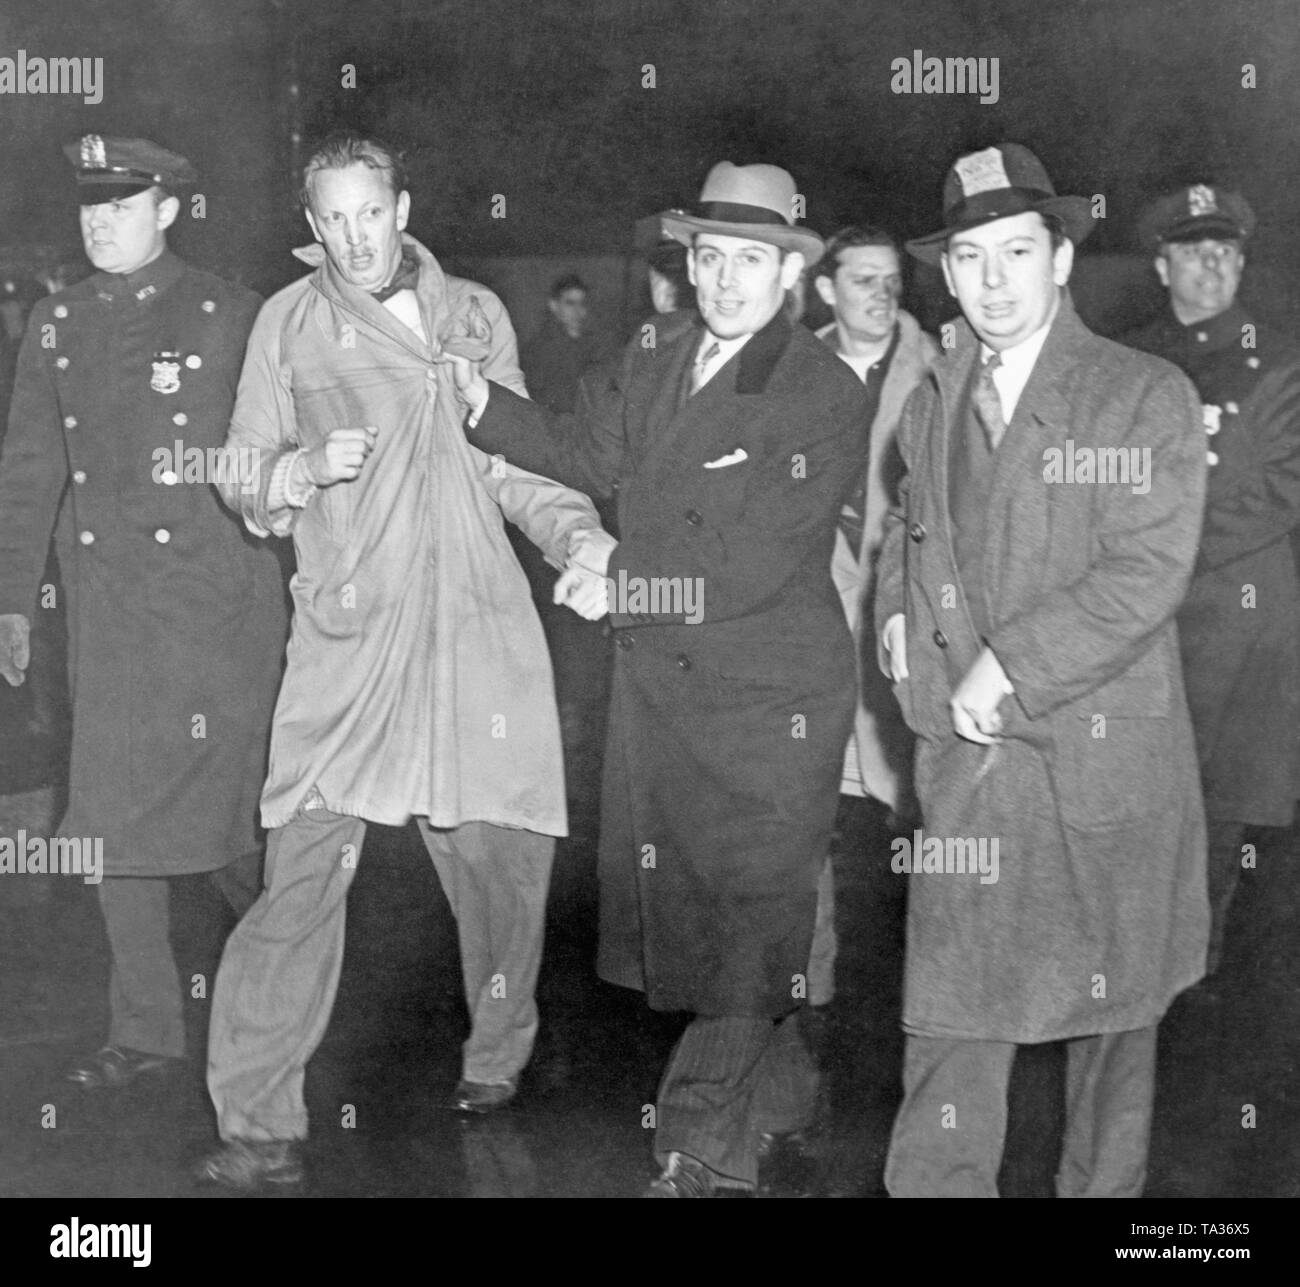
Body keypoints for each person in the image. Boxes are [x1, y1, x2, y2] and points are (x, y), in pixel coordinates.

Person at [444, 161, 868, 1197]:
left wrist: (618, 582)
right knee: (708, 927)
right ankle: (781, 1096)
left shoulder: (821, 392)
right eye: (709, 258)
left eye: (750, 260)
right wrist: (481, 404)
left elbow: (757, 558)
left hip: (773, 708)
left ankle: (693, 1153)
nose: (725, 280)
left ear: (790, 274)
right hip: (670, 706)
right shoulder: (654, 356)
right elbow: (583, 450)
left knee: (746, 926)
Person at [196, 132, 610, 1190]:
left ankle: (497, 1062)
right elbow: (238, 469)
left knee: (504, 868)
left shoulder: (474, 314)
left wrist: (578, 538)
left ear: (402, 206)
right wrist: (294, 470)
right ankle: (257, 1124)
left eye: (367, 212)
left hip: (475, 632)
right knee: (299, 871)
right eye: (330, 218)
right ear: (312, 225)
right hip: (349, 641)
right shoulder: (286, 324)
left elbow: (516, 459)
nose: (352, 236)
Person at [875, 143, 1208, 1197]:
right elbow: (903, 530)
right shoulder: (932, 398)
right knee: (949, 1025)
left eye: (1015, 251)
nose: (992, 280)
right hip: (970, 778)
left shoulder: (1139, 394)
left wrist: (1008, 664)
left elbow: (1143, 570)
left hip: (1096, 770)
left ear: (1059, 258)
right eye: (968, 258)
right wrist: (891, 620)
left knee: (1111, 1038)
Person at [0, 135, 287, 1088]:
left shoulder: (231, 313)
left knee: (232, 830)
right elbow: (29, 469)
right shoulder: (56, 319)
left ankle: (273, 1013)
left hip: (216, 613)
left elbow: (279, 458)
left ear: (168, 209)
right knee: (112, 822)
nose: (99, 222)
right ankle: (146, 1028)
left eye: (120, 205)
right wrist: (12, 601)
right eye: (90, 205)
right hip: (112, 615)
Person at [1122, 185, 1300, 976]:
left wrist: (1162, 551)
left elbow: (1281, 489)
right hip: (1136, 617)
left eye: (1226, 251)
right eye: (1195, 251)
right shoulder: (1128, 361)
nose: (1214, 265)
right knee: (1138, 793)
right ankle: (1136, 957)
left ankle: (1199, 973)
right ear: (1162, 265)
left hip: (1236, 614)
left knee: (1220, 805)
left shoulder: (1280, 360)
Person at [805, 225, 936, 1012]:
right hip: (813, 625)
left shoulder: (938, 370)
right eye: (863, 281)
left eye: (892, 281)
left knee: (908, 819)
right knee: (808, 814)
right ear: (826, 289)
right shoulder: (788, 370)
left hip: (902, 626)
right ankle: (809, 992)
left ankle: (909, 999)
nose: (882, 296)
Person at [519, 273, 609, 414]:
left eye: (582, 303)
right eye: (570, 303)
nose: (577, 311)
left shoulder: (594, 346)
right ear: (554, 305)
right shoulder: (539, 349)